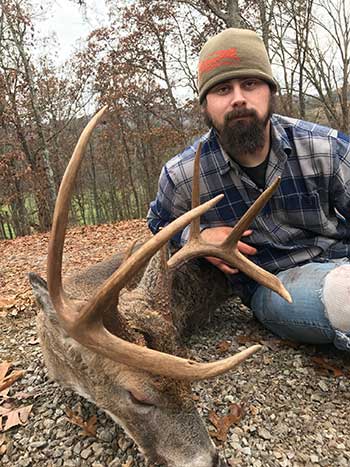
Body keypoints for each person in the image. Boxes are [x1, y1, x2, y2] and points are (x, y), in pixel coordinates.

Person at [147, 28, 350, 351]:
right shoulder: (183, 174)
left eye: (250, 84)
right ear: (206, 106)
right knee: (344, 298)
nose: (238, 97)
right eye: (223, 89)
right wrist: (194, 237)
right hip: (274, 284)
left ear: (270, 91)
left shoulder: (325, 147)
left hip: (342, 256)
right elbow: (158, 225)